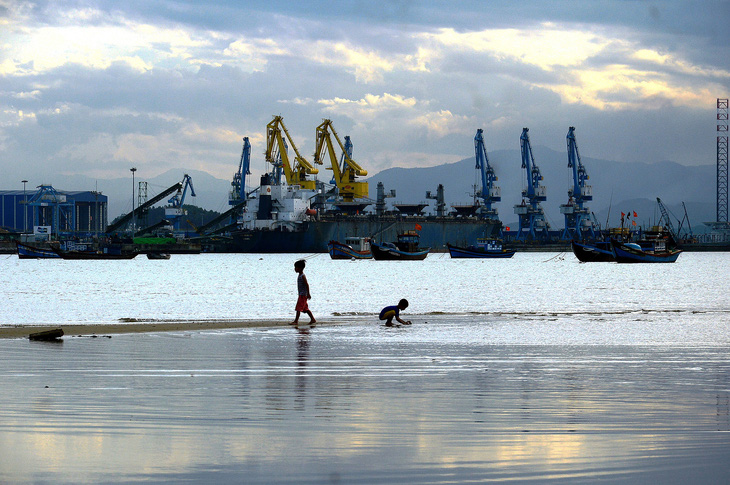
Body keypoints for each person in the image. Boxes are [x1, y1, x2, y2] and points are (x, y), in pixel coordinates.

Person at [290, 259, 316, 325]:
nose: (295, 269)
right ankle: (313, 319)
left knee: (298, 308)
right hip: (301, 294)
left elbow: (307, 284)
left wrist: (308, 294)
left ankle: (296, 321)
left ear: (300, 268)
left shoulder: (302, 276)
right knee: (305, 309)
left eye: (296, 267)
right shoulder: (300, 275)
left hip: (303, 295)